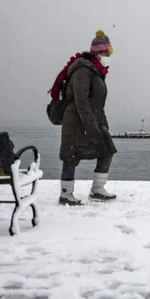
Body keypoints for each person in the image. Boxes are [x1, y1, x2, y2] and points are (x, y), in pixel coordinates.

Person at [50, 29, 118, 205]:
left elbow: (96, 103)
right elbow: (82, 102)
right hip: (75, 121)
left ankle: (97, 190)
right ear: (100, 52)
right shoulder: (83, 70)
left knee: (107, 149)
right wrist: (92, 129)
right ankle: (66, 194)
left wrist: (103, 124)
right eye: (108, 52)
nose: (110, 55)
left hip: (93, 120)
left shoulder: (97, 71)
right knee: (71, 155)